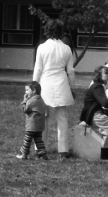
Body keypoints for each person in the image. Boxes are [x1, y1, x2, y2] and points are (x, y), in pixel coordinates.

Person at [33, 19, 75, 160]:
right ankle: (63, 151)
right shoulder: (66, 49)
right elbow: (70, 71)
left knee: (43, 118)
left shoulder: (41, 48)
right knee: (62, 118)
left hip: (45, 85)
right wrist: (72, 85)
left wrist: (34, 86)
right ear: (61, 32)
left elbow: (38, 69)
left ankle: (40, 149)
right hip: (62, 84)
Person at [17, 81, 48, 160]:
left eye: (27, 90)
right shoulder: (41, 100)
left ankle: (24, 154)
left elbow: (25, 109)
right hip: (39, 125)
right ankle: (42, 154)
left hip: (32, 125)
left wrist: (24, 101)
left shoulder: (31, 101)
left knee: (27, 140)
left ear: (33, 90)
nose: (25, 92)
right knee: (38, 140)